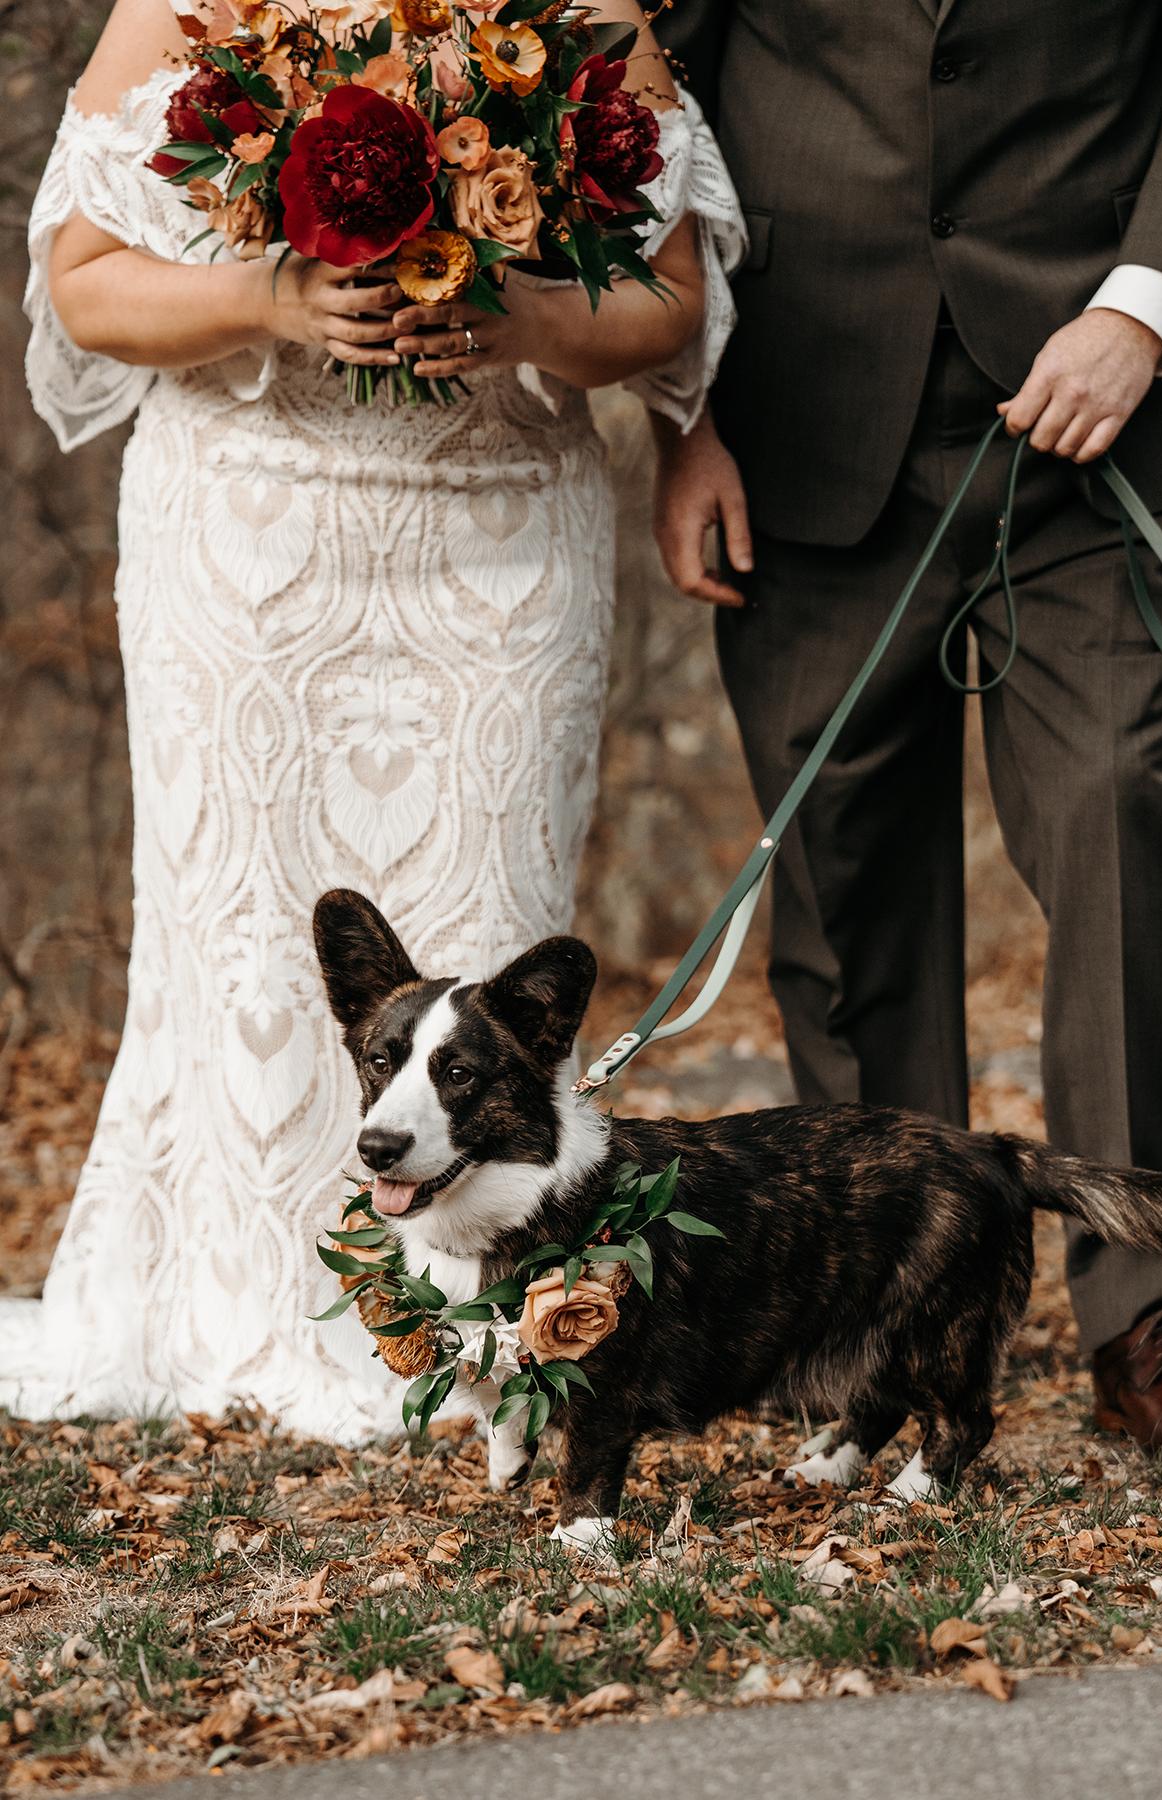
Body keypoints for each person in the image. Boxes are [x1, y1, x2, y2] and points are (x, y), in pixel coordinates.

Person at [0, 0, 746, 1440]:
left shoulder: (579, 17)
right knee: (246, 938)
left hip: (501, 547)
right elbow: (84, 283)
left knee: (493, 912)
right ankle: (238, 1304)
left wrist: (521, 314)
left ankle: (492, 1327)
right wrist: (271, 300)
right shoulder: (198, 8)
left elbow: (671, 301)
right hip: (246, 537)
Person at [655, 0, 1162, 1452]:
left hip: (1100, 429)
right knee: (843, 881)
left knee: (1115, 810)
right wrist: (682, 416)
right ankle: (891, 1315)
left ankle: (1148, 1307)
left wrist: (1144, 308)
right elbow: (658, 99)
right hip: (805, 420)